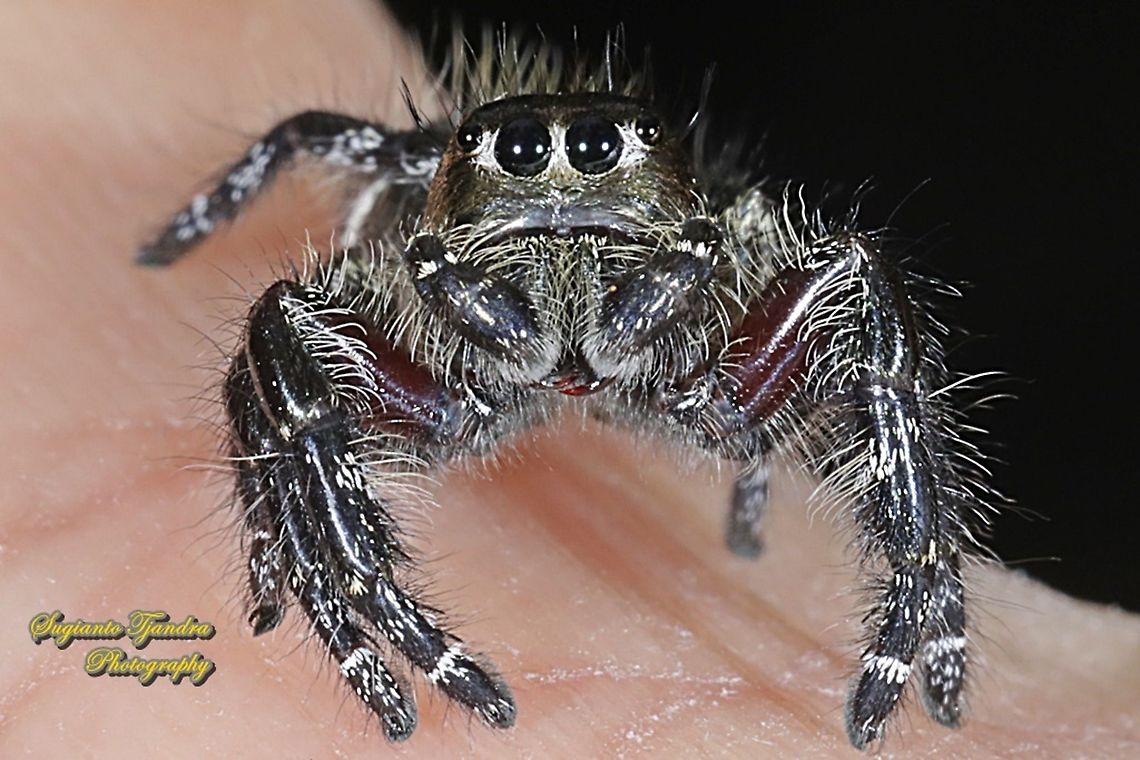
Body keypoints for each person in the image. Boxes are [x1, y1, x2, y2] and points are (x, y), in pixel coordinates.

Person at [3, 1, 1137, 756]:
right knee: (283, 328)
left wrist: (917, 556)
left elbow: (853, 327)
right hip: (461, 362)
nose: (556, 185)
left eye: (601, 158)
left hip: (687, 359)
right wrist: (284, 538)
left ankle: (919, 599)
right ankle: (360, 610)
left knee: (853, 282)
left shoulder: (729, 276)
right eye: (509, 161)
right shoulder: (415, 252)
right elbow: (296, 287)